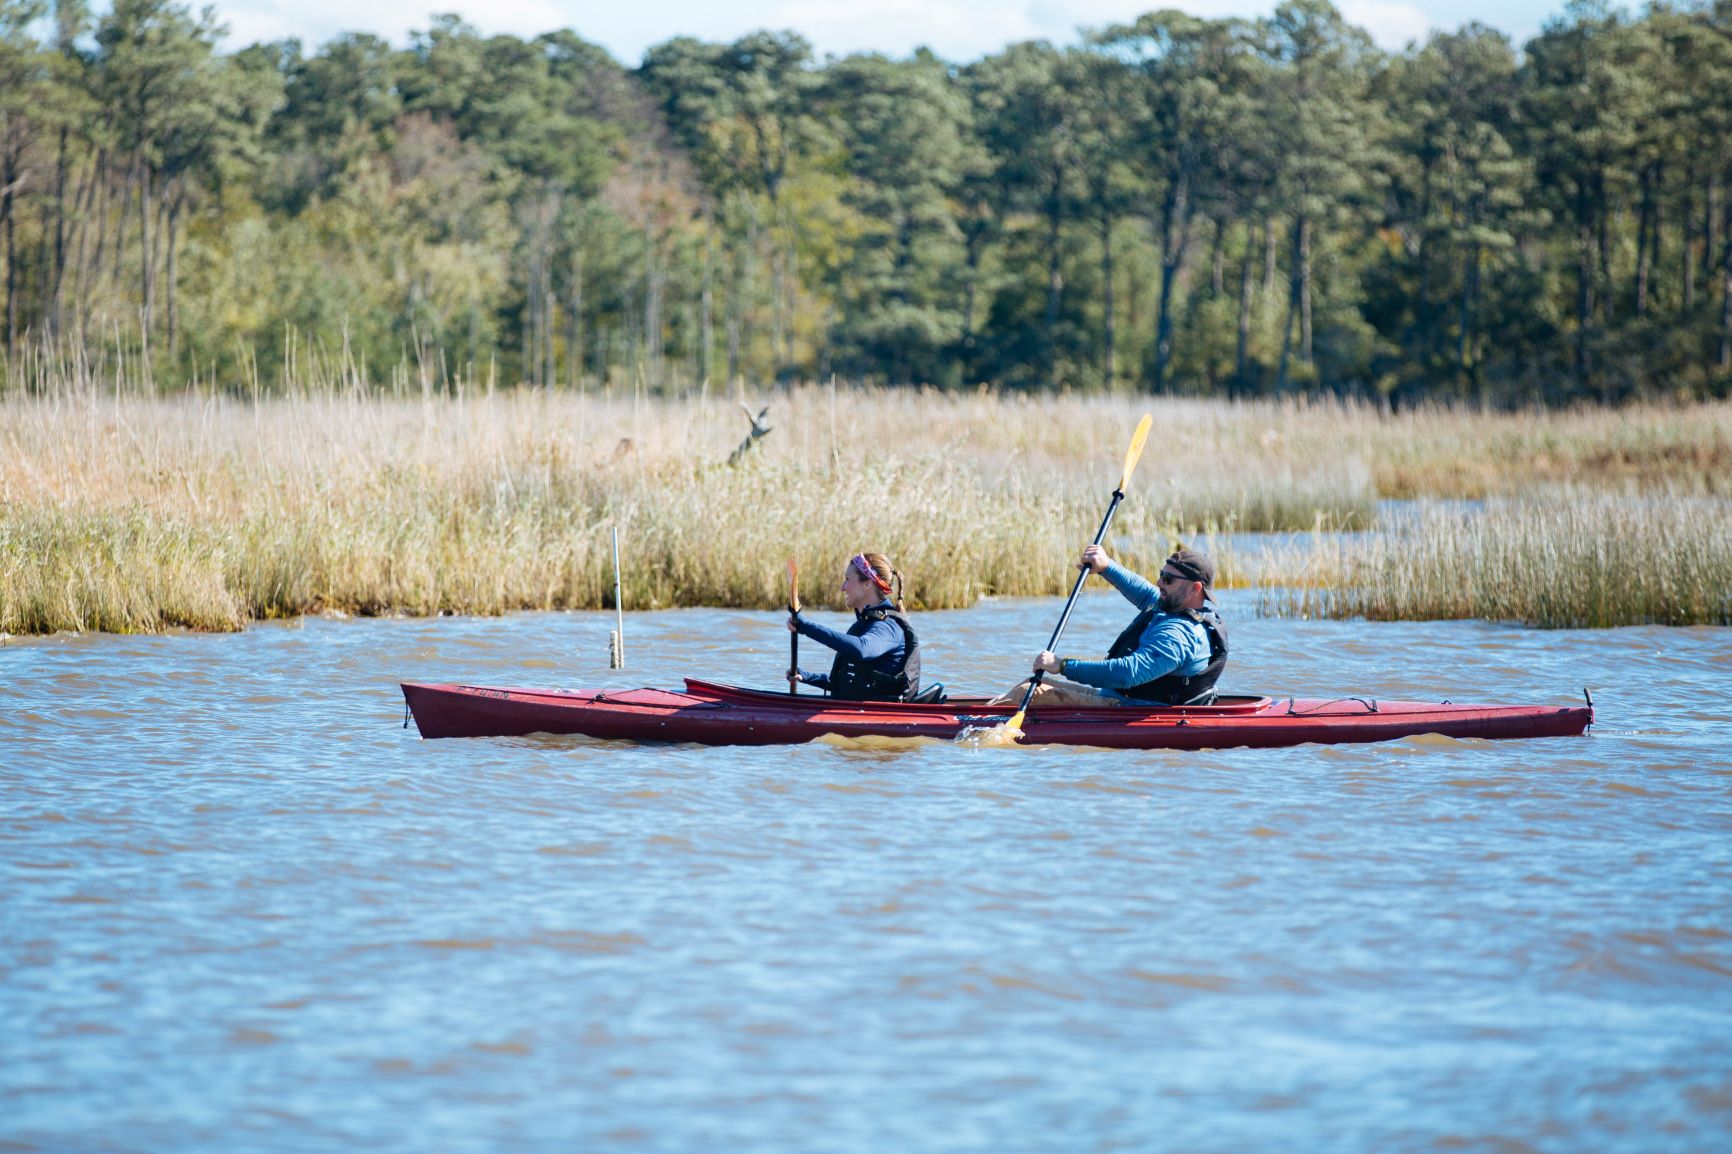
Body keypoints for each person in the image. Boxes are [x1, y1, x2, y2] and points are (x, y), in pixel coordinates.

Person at [997, 545, 1227, 707]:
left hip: (1130, 708)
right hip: (1120, 698)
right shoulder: (1170, 607)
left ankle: (973, 728)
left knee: (1033, 693)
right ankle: (977, 718)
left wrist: (1063, 666)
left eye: (1168, 579)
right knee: (1032, 684)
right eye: (1161, 575)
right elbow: (1143, 591)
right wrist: (1106, 566)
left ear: (1195, 589)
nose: (1159, 583)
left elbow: (1127, 673)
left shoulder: (1179, 634)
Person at [786, 552, 923, 702]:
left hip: (880, 717)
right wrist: (806, 677)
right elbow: (849, 685)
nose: (842, 587)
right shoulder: (863, 625)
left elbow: (862, 649)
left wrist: (805, 627)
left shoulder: (888, 626)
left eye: (847, 580)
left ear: (867, 584)